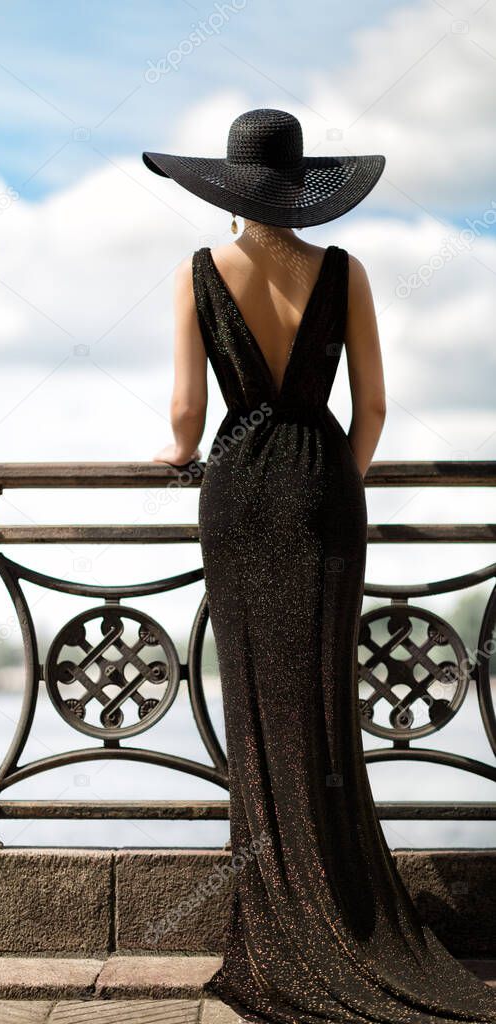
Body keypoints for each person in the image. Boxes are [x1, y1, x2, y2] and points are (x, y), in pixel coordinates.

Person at [144, 109, 496, 1024]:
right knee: (325, 711)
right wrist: (333, 479)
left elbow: (186, 419)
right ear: (302, 190)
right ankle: (345, 915)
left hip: (238, 497)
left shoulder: (196, 273)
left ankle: (276, 925)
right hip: (326, 495)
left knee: (258, 711)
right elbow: (371, 407)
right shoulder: (344, 272)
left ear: (227, 192)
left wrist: (178, 454)